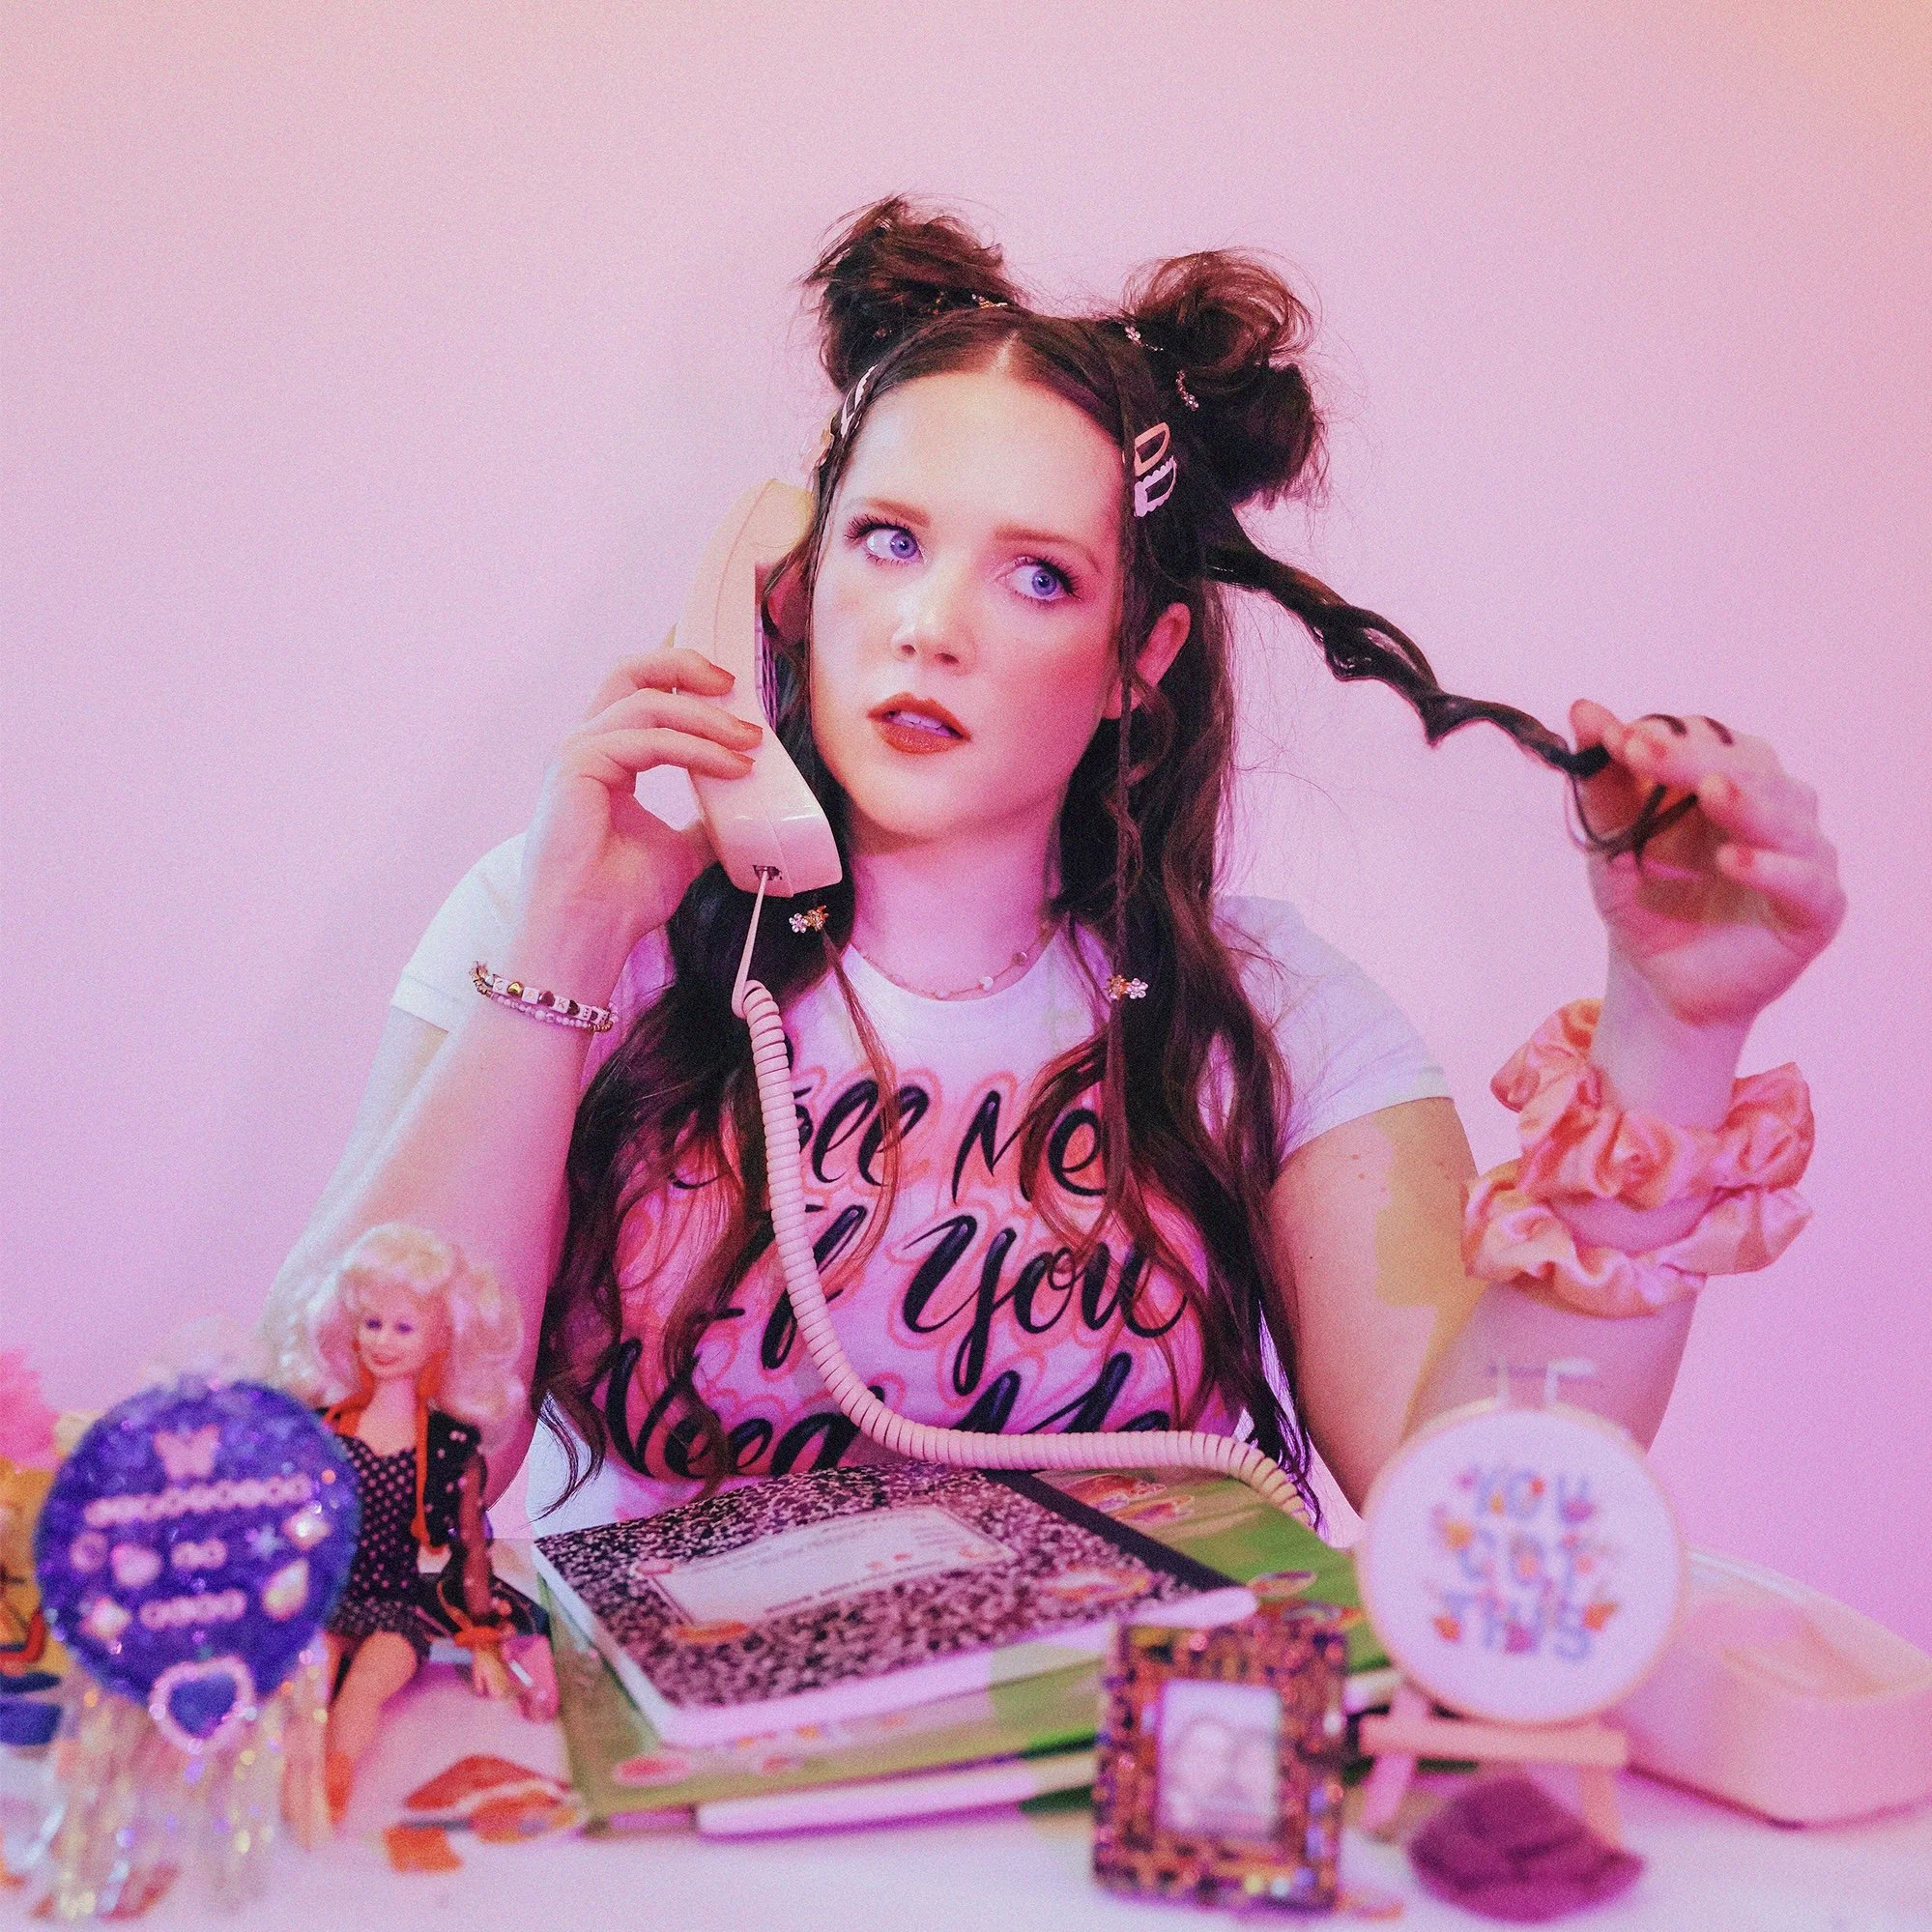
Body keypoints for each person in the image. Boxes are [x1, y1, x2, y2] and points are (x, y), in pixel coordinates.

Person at [260, 199, 1842, 1538]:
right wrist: (577, 929)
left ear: (1134, 654)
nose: (930, 622)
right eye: (886, 538)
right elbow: (331, 1451)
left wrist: (1671, 1028)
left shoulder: (1270, 1016)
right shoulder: (569, 923)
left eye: (1032, 572)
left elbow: (1488, 1513)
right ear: (787, 581)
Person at [273, 1222, 557, 1817]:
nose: (384, 1341)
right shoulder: (327, 1430)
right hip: (327, 1600)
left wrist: (483, 1643)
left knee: (361, 1695)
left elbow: (470, 1549)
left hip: (397, 1609)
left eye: (405, 1327)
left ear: (441, 1338)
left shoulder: (450, 1444)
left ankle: (334, 1780)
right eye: (372, 1323)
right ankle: (288, 1787)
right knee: (306, 1686)